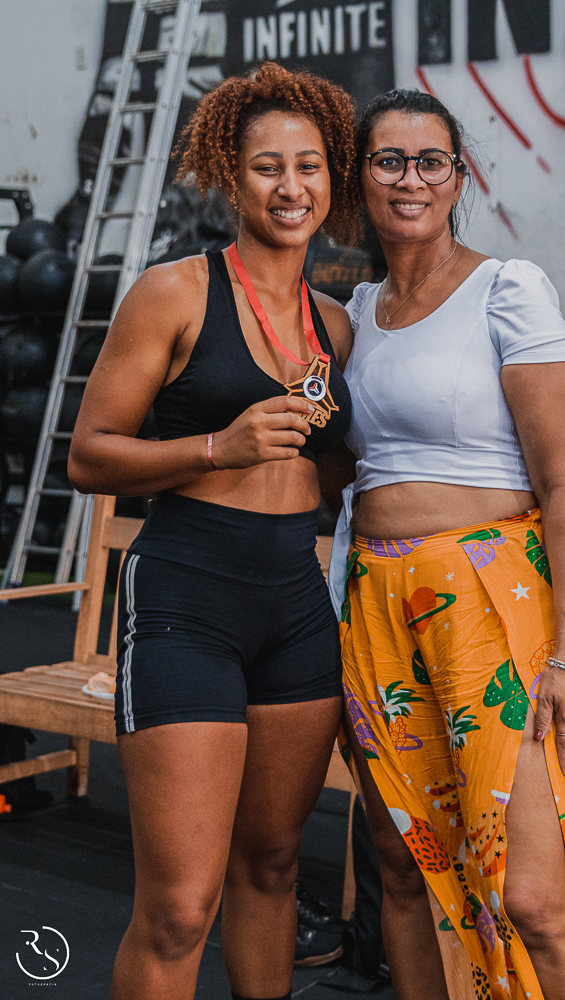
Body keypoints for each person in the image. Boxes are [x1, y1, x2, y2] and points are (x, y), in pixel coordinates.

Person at [69, 63, 358, 1000]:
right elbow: (88, 456)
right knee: (180, 907)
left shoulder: (335, 325)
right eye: (267, 167)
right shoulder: (174, 292)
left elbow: (334, 468)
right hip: (187, 598)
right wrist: (215, 447)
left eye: (308, 167)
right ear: (231, 178)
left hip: (296, 606)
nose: (290, 187)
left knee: (272, 868)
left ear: (331, 178)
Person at [329, 89, 565, 1000]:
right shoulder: (356, 310)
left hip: (490, 597)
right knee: (404, 863)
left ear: (459, 179)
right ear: (360, 177)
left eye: (431, 161)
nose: (409, 179)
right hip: (374, 601)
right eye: (388, 160)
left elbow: (563, 487)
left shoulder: (507, 288)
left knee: (530, 893)